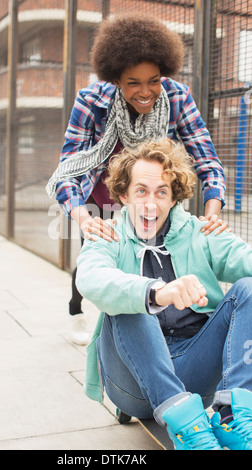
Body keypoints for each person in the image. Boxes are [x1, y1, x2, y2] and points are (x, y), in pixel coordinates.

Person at [46, 13, 228, 345]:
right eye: (134, 82)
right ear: (116, 78)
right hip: (102, 200)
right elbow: (67, 171)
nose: (146, 92)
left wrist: (213, 210)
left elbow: (207, 160)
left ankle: (152, 332)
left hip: (151, 198)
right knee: (97, 259)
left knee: (149, 265)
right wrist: (84, 219)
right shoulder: (91, 101)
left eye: (154, 80)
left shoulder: (176, 97)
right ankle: (78, 310)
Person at [75, 138, 252, 451]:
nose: (150, 203)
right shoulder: (107, 234)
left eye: (162, 192)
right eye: (141, 190)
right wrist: (156, 291)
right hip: (131, 382)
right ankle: (192, 436)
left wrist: (228, 239)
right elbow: (91, 279)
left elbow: (246, 264)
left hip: (194, 371)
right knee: (129, 302)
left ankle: (233, 418)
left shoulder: (199, 232)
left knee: (248, 290)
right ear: (123, 195)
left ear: (174, 198)